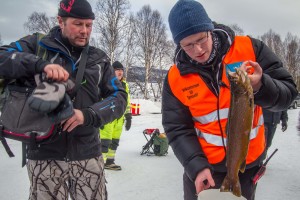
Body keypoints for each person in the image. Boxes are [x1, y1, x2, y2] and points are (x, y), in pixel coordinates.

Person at [162, 1, 298, 200]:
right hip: (203, 168)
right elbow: (176, 127)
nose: (198, 50)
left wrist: (262, 85)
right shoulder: (176, 77)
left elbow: (288, 94)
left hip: (247, 167)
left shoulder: (250, 49)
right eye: (188, 45)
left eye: (201, 39)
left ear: (210, 30)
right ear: (178, 44)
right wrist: (196, 167)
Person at [0, 0, 127, 199]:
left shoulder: (99, 59)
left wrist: (88, 115)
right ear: (61, 21)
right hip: (44, 154)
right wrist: (39, 65)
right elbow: (3, 57)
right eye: (78, 24)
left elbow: (119, 97)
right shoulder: (37, 45)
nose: (85, 31)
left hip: (88, 153)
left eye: (89, 25)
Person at [100, 61, 132, 170]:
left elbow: (127, 102)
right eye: (117, 70)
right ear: (112, 71)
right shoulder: (105, 83)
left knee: (114, 142)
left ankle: (109, 162)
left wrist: (128, 116)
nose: (120, 72)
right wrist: (99, 117)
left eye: (122, 70)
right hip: (107, 118)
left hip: (119, 119)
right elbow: (100, 101)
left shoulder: (125, 85)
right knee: (104, 142)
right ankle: (99, 165)